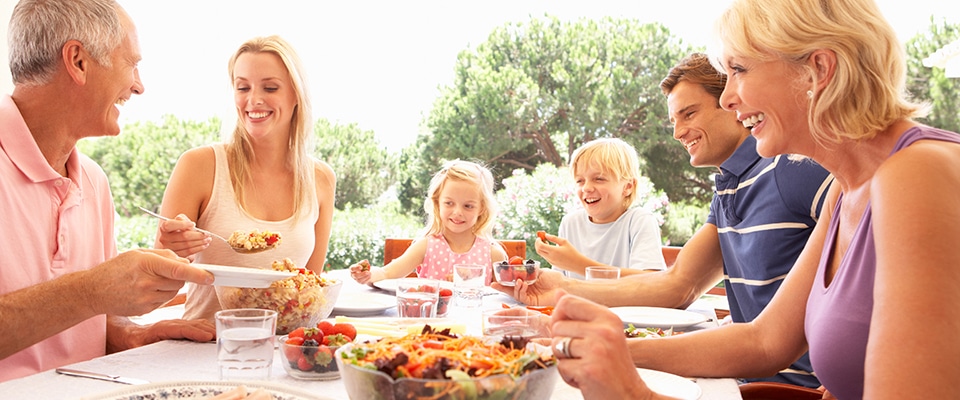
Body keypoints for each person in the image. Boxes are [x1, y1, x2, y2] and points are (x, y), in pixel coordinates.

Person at [548, 0, 960, 398]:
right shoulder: (844, 190)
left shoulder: (918, 173)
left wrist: (634, 394)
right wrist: (606, 353)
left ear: (817, 69)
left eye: (738, 70)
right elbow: (765, 342)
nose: (727, 99)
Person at [496, 53, 832, 387]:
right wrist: (562, 288)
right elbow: (678, 285)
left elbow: (867, 247)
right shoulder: (728, 188)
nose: (678, 132)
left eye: (689, 113)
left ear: (732, 105)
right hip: (738, 378)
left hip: (783, 389)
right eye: (674, 120)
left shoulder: (792, 167)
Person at [0, 0, 216, 382]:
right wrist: (92, 290)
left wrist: (131, 334)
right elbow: (88, 297)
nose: (138, 85)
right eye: (131, 62)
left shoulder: (93, 181)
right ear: (78, 61)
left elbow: (88, 321)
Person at [155, 35, 337, 322]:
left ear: (296, 96)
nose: (253, 100)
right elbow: (158, 281)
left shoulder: (321, 179)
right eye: (243, 87)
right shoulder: (199, 165)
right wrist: (171, 250)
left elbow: (309, 289)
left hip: (282, 351)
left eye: (270, 87)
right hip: (202, 348)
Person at [349, 159, 507, 284]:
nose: (458, 212)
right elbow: (387, 273)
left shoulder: (493, 254)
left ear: (481, 209)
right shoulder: (426, 246)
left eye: (468, 206)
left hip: (474, 324)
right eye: (449, 203)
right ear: (437, 203)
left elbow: (503, 298)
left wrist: (471, 283)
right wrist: (368, 275)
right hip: (428, 323)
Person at [537, 138, 667, 279]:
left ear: (628, 187)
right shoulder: (570, 223)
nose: (586, 188)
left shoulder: (638, 221)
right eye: (580, 181)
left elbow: (651, 281)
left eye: (599, 179)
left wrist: (578, 264)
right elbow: (559, 283)